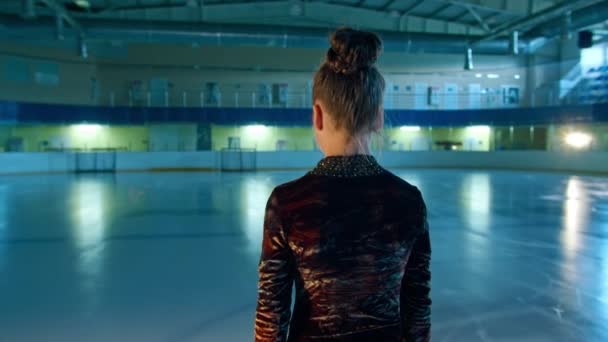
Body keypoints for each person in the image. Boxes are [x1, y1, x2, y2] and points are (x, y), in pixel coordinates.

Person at [254, 28, 431, 342]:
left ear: (317, 116)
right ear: (378, 117)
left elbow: (272, 312)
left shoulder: (287, 202)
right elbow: (416, 307)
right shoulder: (408, 200)